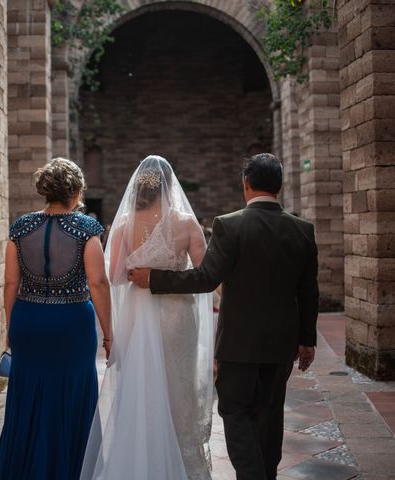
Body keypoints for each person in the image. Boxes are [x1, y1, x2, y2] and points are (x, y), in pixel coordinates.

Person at [129, 153, 319, 480]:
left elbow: (205, 278)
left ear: (246, 183)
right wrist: (307, 340)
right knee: (270, 414)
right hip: (281, 344)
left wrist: (154, 279)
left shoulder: (230, 225)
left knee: (234, 410)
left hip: (238, 343)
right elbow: (308, 291)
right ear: (281, 185)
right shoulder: (302, 230)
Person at [81, 155, 214, 480]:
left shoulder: (126, 224)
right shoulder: (185, 222)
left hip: (140, 317)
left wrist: (141, 271)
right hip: (178, 316)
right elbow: (207, 273)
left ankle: (144, 459)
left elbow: (115, 276)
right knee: (177, 387)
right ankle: (181, 464)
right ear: (169, 186)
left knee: (143, 387)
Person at [0, 158, 112, 480]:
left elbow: (11, 283)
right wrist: (109, 333)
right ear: (75, 191)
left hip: (28, 320)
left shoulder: (20, 227)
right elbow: (98, 283)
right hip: (72, 322)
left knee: (28, 394)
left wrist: (10, 326)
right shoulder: (87, 229)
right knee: (72, 393)